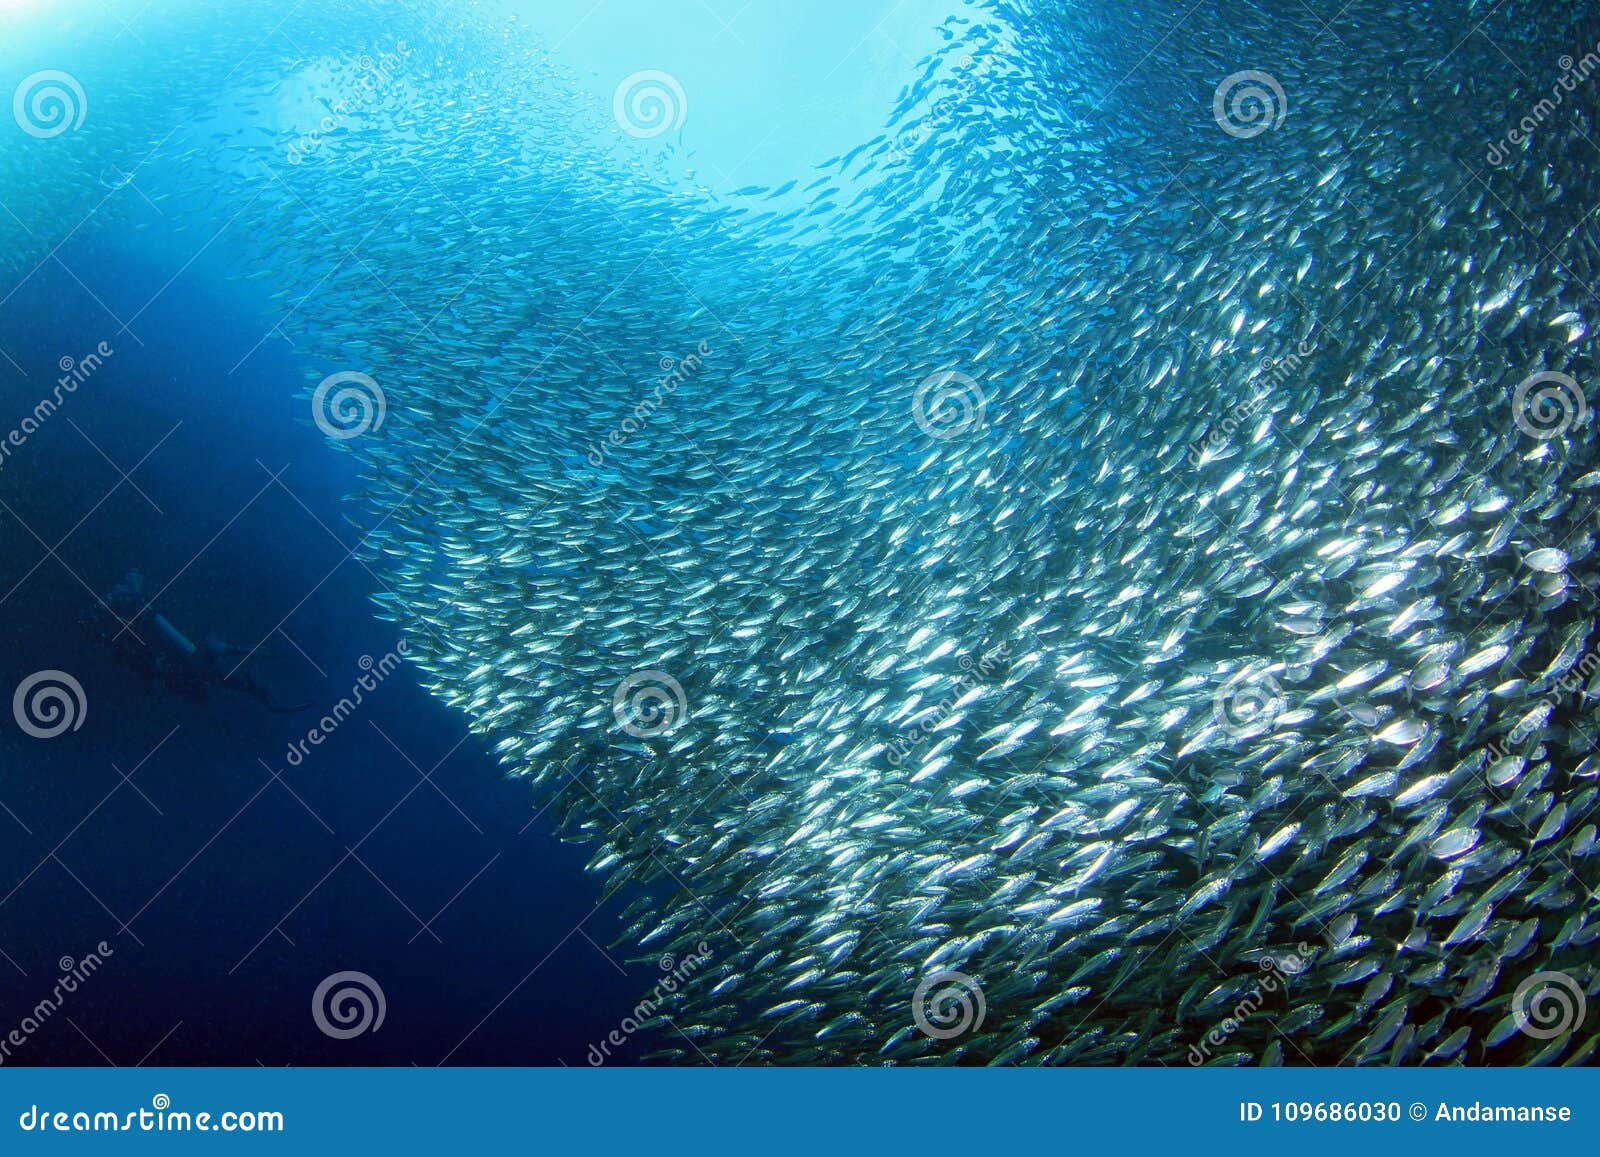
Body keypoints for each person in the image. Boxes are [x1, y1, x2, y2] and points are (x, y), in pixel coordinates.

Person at [81, 570, 310, 713]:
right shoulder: (212, 671)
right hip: (181, 662)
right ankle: (255, 662)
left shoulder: (209, 671)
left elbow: (148, 664)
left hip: (181, 662)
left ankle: (254, 661)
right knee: (214, 667)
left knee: (214, 667)